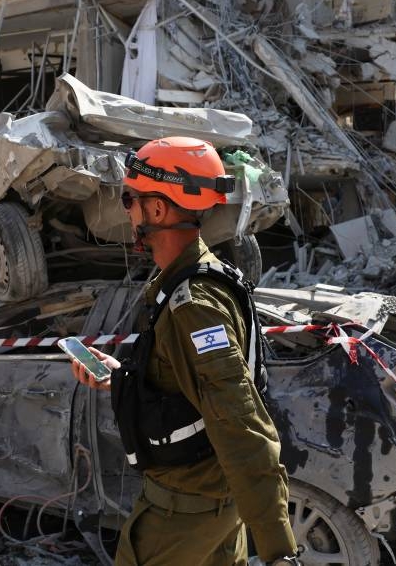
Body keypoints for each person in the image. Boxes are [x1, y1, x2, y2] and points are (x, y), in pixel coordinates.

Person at [71, 136, 300, 566]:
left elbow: (240, 422)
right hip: (212, 510)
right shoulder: (193, 280)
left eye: (130, 199)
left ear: (157, 209)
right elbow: (186, 389)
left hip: (181, 521)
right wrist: (119, 376)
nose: (128, 210)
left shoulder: (194, 304)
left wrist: (278, 550)